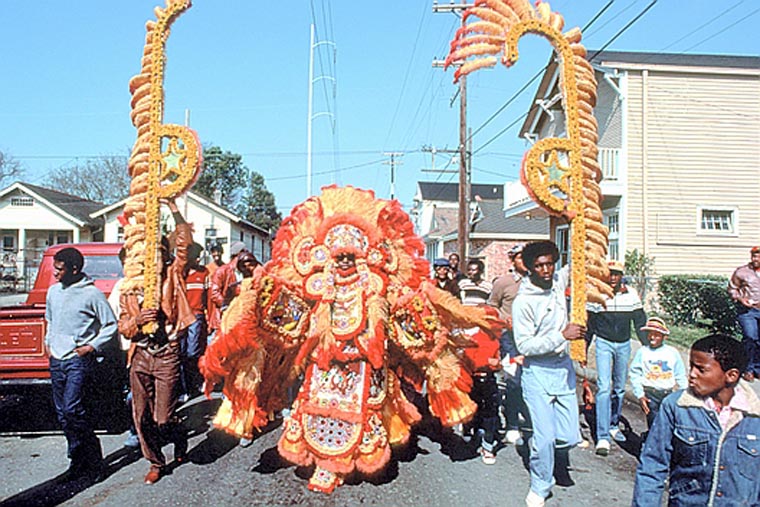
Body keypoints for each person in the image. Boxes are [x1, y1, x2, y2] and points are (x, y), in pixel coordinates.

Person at [118, 198, 195, 485]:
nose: (154, 260)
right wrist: (138, 321)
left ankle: (177, 434)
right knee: (142, 417)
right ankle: (155, 462)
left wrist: (173, 208)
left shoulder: (173, 275)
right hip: (140, 355)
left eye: (160, 254)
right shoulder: (129, 291)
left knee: (163, 417)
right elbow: (124, 329)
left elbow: (184, 241)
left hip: (167, 353)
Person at [633, 334, 760, 506]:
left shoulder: (754, 417)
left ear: (731, 375)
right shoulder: (676, 406)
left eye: (701, 369)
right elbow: (652, 466)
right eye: (691, 366)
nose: (691, 374)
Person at [512, 240, 584, 507]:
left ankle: (536, 442)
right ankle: (540, 485)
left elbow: (579, 263)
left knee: (568, 436)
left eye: (549, 264)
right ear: (530, 268)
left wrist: (575, 220)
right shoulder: (523, 301)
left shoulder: (556, 282)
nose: (545, 269)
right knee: (545, 440)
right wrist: (561, 335)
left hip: (562, 370)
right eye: (539, 265)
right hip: (537, 372)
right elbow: (526, 346)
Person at [45, 246, 118, 480]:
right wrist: (48, 342)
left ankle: (96, 463)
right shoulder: (53, 292)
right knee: (63, 415)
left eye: (59, 269)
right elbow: (49, 319)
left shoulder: (92, 294)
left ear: (74, 269)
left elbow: (111, 325)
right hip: (56, 360)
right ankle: (77, 462)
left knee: (73, 409)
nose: (55, 273)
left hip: (78, 361)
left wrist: (91, 347)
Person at [586, 260, 648, 456]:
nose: (612, 278)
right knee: (604, 387)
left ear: (622, 276)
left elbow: (640, 322)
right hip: (603, 343)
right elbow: (590, 326)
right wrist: (582, 351)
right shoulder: (597, 295)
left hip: (624, 344)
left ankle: (613, 423)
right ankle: (602, 436)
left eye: (616, 274)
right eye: (609, 274)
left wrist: (649, 348)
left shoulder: (631, 295)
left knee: (619, 388)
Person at [488, 243, 531, 445]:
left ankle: (533, 421)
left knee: (532, 380)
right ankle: (513, 424)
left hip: (532, 338)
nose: (525, 261)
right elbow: (491, 307)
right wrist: (503, 320)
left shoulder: (537, 281)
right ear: (513, 260)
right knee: (513, 380)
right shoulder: (503, 282)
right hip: (509, 338)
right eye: (521, 257)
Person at [628, 316, 687, 430]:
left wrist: (683, 393)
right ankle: (651, 444)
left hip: (668, 394)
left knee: (669, 423)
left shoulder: (672, 352)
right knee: (653, 423)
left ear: (664, 336)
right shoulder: (643, 352)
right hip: (651, 394)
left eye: (657, 334)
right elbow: (635, 374)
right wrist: (640, 395)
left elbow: (680, 374)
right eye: (650, 333)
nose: (652, 337)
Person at [108, 246, 140, 449]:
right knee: (131, 393)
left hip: (145, 345)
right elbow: (111, 316)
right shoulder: (120, 286)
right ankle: (135, 430)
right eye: (125, 263)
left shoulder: (150, 284)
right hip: (125, 347)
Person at [179, 243, 209, 401]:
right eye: (195, 255)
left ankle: (195, 383)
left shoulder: (204, 273)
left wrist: (209, 317)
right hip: (181, 316)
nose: (198, 258)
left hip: (197, 316)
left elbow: (208, 298)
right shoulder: (180, 274)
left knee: (193, 352)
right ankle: (185, 388)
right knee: (181, 352)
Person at [728, 246, 760, 381]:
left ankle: (758, 368)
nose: (755, 259)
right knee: (750, 337)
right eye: (754, 256)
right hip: (748, 311)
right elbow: (732, 288)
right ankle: (748, 369)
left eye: (758, 256)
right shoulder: (742, 272)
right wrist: (740, 298)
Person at [209, 240, 247, 338]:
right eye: (244, 252)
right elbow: (214, 294)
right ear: (238, 254)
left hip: (238, 319)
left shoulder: (244, 272)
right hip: (222, 319)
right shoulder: (222, 271)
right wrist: (228, 307)